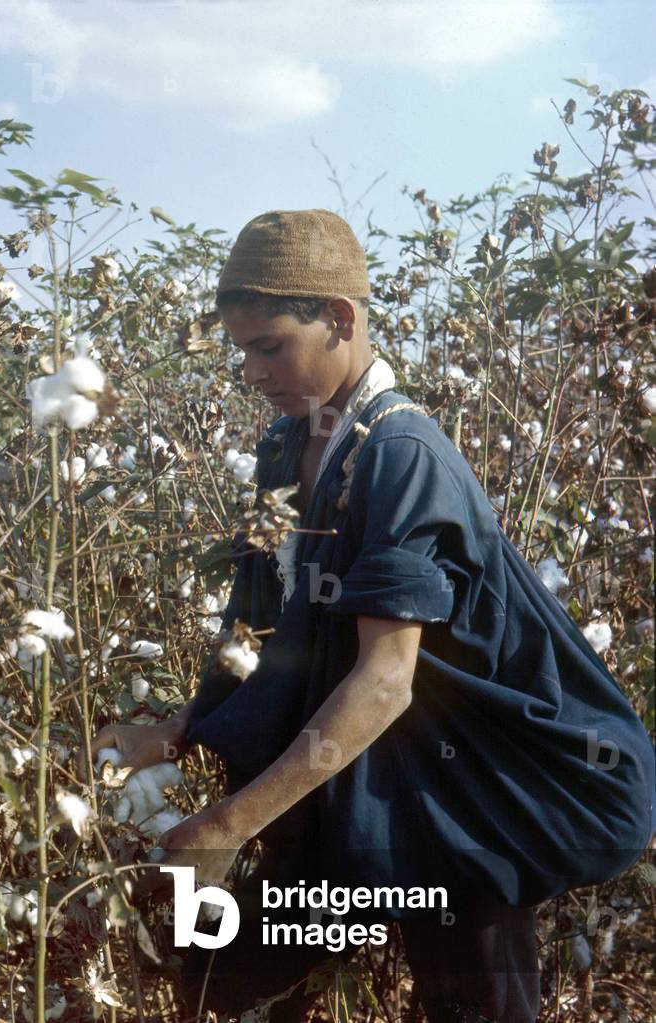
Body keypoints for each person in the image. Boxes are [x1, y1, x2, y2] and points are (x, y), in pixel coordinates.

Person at [82, 209, 654, 1022]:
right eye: (241, 348)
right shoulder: (288, 449)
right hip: (367, 787)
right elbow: (268, 632)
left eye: (269, 344)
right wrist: (178, 727)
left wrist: (230, 824)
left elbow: (385, 681)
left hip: (468, 798)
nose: (251, 370)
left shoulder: (401, 456)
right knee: (218, 976)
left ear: (340, 321)